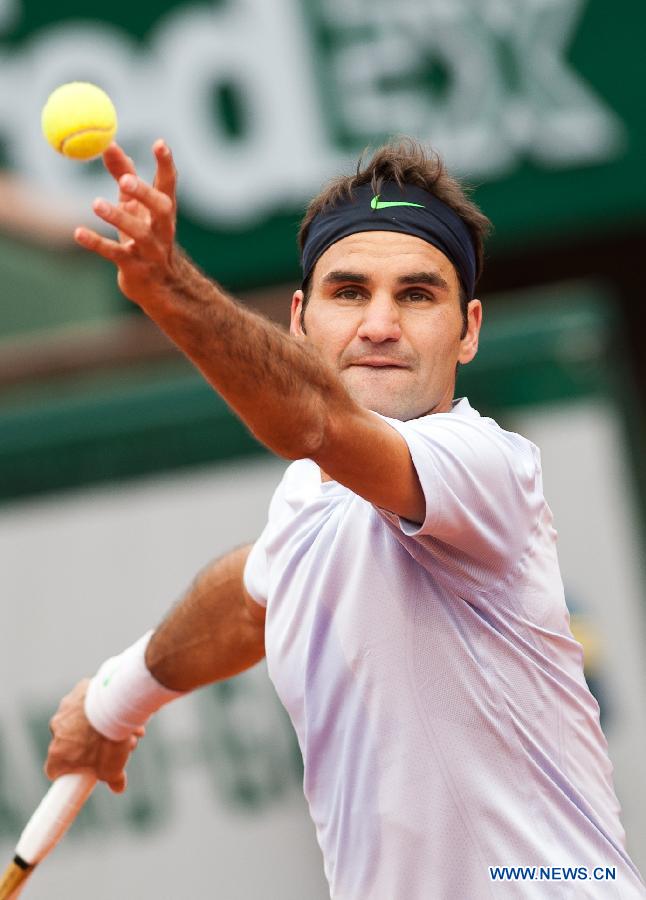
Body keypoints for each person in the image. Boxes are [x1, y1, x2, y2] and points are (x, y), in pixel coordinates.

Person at [46, 137, 646, 898]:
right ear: (301, 318)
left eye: (418, 295)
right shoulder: (309, 502)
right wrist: (114, 701)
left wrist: (169, 289)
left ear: (468, 329)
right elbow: (249, 596)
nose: (380, 324)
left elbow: (314, 423)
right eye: (350, 291)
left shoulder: (483, 464)